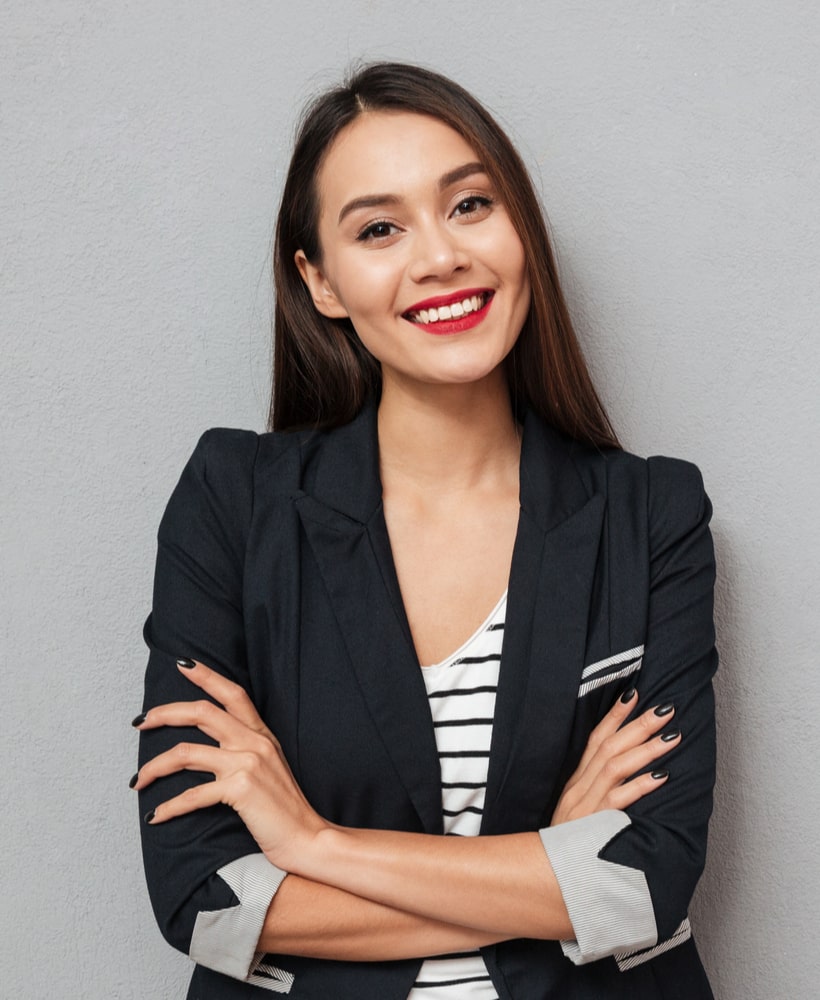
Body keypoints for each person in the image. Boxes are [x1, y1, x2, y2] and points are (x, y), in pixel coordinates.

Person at [132, 62, 718, 999]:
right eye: (378, 229)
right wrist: (546, 867)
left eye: (470, 205)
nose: (439, 256)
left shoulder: (652, 515)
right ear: (320, 281)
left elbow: (640, 886)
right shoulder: (234, 502)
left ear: (519, 228)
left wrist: (312, 844)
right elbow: (210, 903)